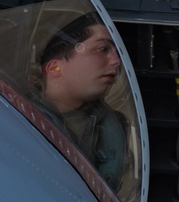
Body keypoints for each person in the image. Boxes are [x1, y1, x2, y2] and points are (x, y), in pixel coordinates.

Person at [35, 13, 128, 192]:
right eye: (102, 49)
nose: (117, 61)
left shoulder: (115, 126)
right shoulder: (14, 116)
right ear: (54, 68)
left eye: (118, 53)